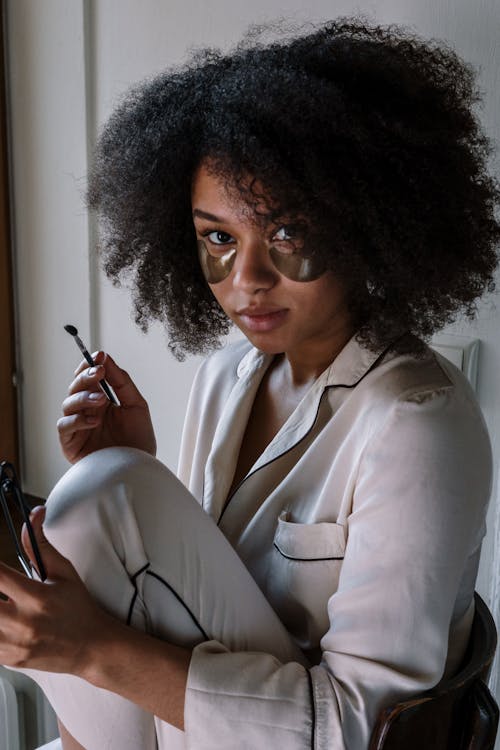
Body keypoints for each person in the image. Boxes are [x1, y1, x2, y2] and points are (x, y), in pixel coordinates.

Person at [1, 17, 499, 750]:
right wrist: (134, 463)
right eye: (219, 239)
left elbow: (358, 729)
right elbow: (198, 596)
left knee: (103, 493)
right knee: (98, 489)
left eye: (289, 234)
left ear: (367, 225)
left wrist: (87, 648)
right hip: (194, 722)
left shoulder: (418, 425)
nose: (247, 281)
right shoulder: (229, 375)